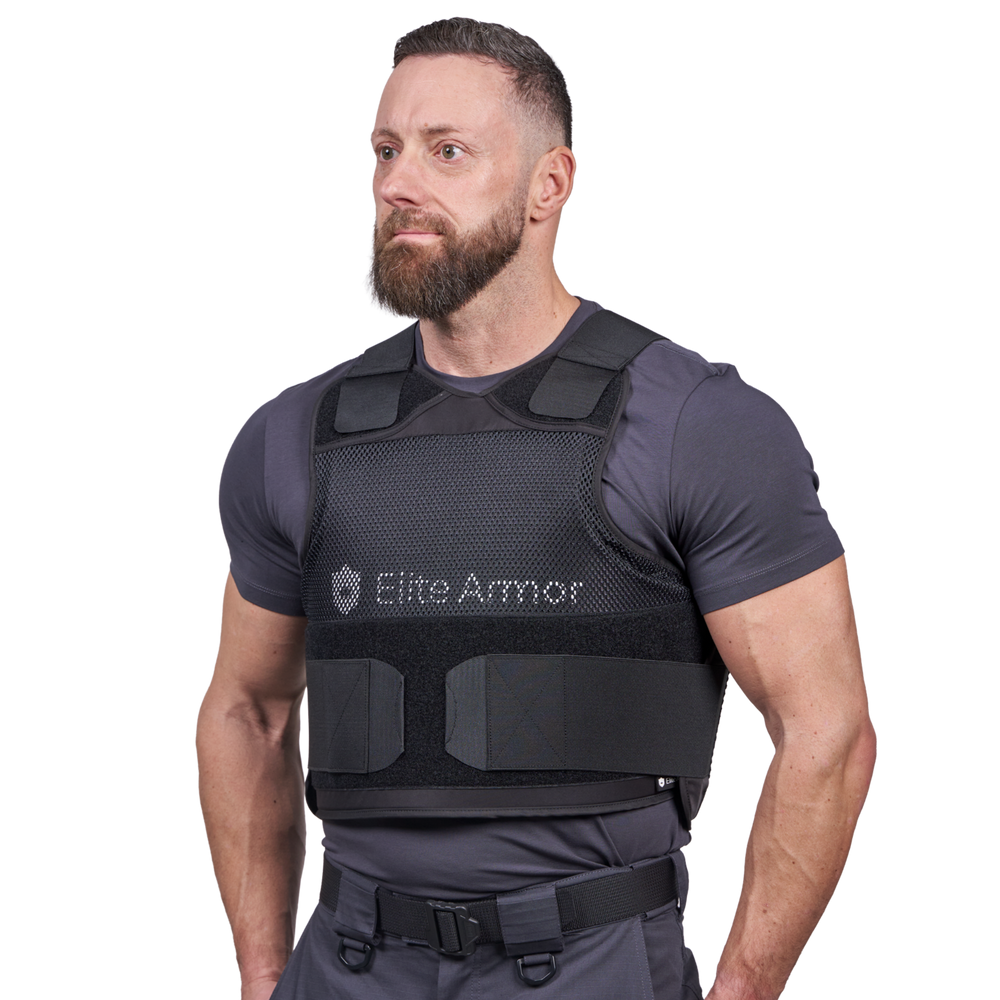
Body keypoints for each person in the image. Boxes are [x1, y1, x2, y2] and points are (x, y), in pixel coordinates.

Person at [195, 15, 877, 999]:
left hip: (590, 963)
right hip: (348, 964)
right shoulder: (292, 433)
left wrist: (744, 988)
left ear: (549, 184)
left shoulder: (700, 423)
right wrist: (264, 977)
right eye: (385, 150)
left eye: (447, 151)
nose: (398, 183)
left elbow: (825, 728)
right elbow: (246, 709)